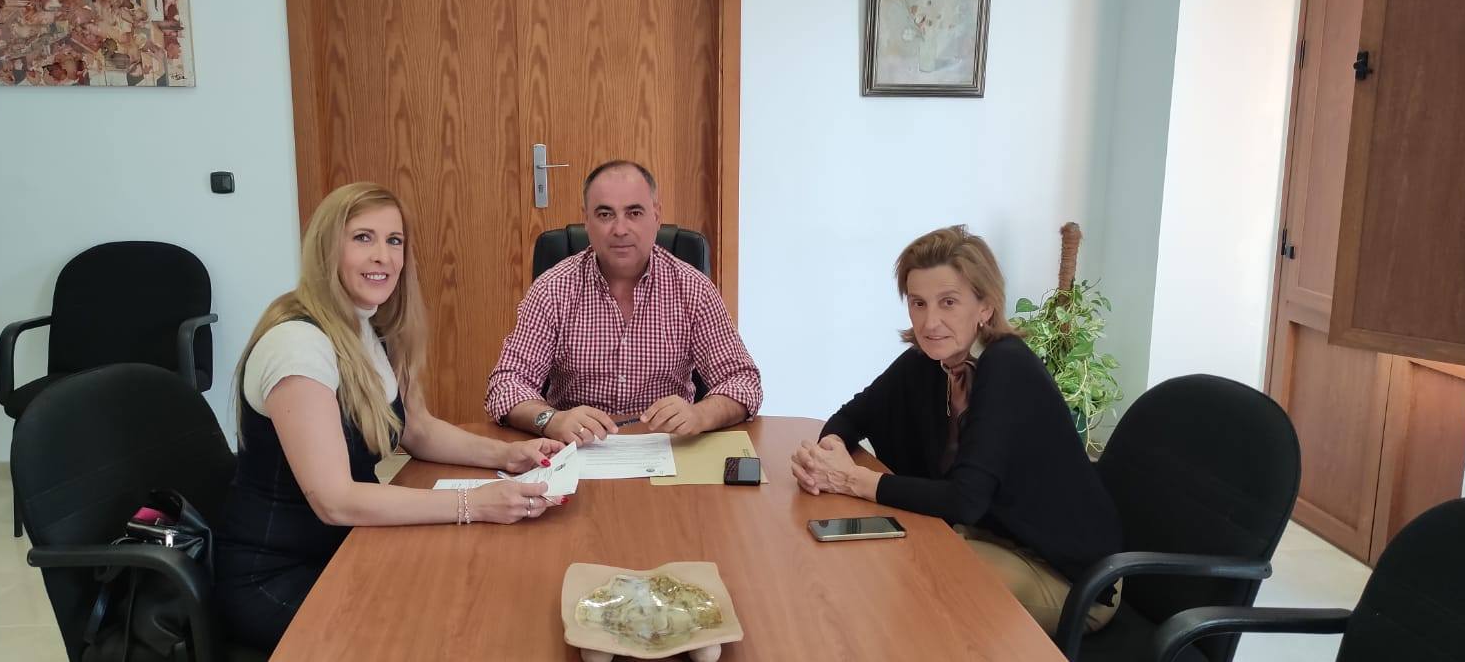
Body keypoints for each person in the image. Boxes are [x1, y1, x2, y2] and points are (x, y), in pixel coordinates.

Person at [215, 182, 565, 653]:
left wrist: (508, 455)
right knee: (437, 634)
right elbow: (335, 502)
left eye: (394, 240)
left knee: (477, 597)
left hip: (345, 547)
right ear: (326, 248)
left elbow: (417, 430)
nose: (383, 256)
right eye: (363, 238)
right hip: (279, 575)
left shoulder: (370, 325)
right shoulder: (297, 345)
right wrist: (474, 504)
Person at [790, 225, 1123, 635]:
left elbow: (965, 500)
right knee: (879, 556)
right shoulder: (930, 360)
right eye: (918, 303)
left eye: (948, 302)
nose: (930, 322)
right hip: (991, 535)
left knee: (914, 582)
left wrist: (852, 479)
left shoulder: (1007, 367)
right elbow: (852, 415)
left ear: (985, 306)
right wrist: (828, 455)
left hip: (1065, 574)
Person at [485, 160, 763, 444]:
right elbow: (506, 384)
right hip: (577, 448)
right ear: (587, 220)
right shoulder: (552, 289)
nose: (620, 229)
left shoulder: (693, 289)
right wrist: (551, 420)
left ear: (656, 215)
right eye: (605, 214)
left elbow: (743, 381)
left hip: (667, 448)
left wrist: (700, 414)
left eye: (634, 213)